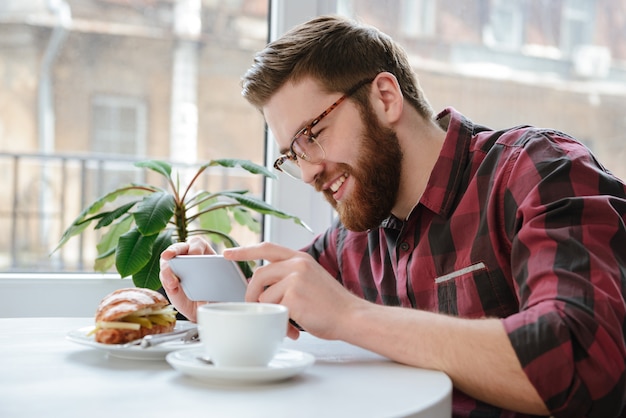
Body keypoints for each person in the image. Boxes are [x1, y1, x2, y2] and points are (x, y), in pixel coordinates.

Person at [159, 15, 626, 417]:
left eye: (312, 135)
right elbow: (279, 303)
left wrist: (351, 316)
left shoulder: (538, 170)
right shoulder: (354, 238)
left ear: (385, 97)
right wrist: (218, 302)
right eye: (292, 156)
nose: (307, 173)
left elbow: (583, 359)